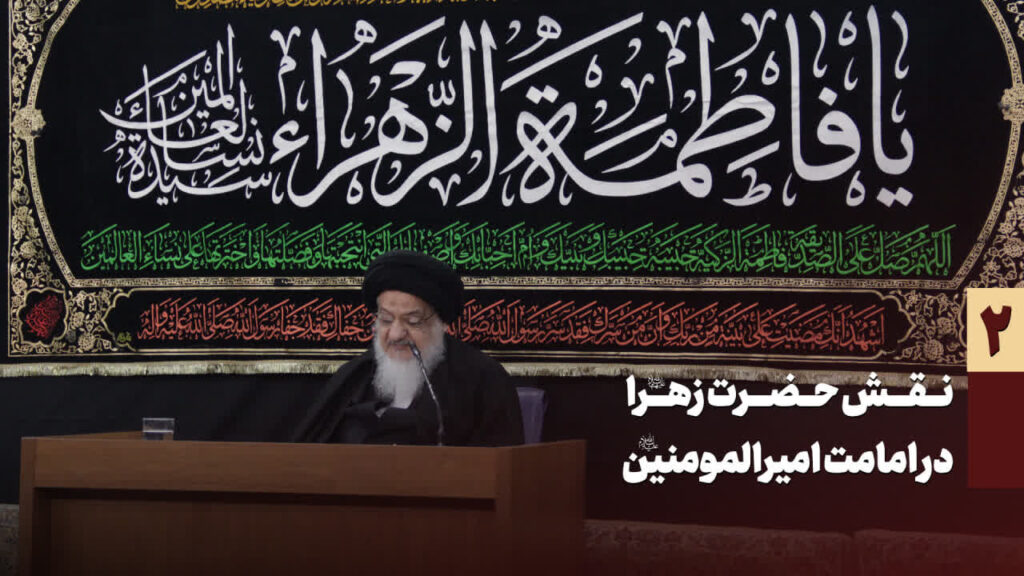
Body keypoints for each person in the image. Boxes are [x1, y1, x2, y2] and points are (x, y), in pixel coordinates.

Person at [291, 250, 524, 446]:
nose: (395, 334)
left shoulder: (483, 380)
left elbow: (500, 470)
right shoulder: (354, 376)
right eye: (385, 319)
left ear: (441, 324)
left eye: (413, 322)